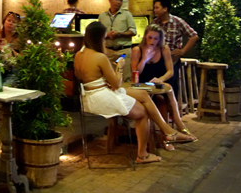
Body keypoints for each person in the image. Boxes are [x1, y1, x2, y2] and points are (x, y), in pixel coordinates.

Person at [74, 22, 196, 164]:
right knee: (143, 112)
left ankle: (168, 131)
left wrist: (102, 81)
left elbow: (86, 77)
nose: (106, 41)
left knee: (143, 95)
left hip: (90, 94)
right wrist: (120, 67)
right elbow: (117, 84)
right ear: (99, 38)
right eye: (104, 38)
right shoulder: (100, 57)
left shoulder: (79, 54)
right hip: (101, 96)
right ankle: (142, 155)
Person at [131, 24, 197, 150]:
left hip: (159, 84)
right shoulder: (137, 50)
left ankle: (166, 136)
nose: (152, 41)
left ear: (160, 39)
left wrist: (160, 79)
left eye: (156, 38)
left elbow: (170, 71)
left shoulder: (164, 49)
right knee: (161, 99)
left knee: (163, 97)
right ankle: (173, 130)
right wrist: (144, 59)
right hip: (143, 86)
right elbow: (135, 73)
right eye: (150, 37)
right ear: (145, 37)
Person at [152, 0, 199, 99]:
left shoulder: (177, 21)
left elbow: (194, 36)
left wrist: (183, 51)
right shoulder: (154, 23)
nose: (154, 10)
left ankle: (172, 105)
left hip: (172, 59)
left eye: (157, 8)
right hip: (157, 59)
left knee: (171, 85)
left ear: (165, 9)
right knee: (155, 85)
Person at [98, 0, 136, 81]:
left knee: (125, 78)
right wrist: (107, 35)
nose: (119, 2)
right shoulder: (102, 16)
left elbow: (133, 31)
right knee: (109, 78)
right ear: (110, 0)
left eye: (120, 0)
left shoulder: (127, 15)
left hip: (123, 52)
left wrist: (119, 34)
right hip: (108, 52)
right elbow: (99, 33)